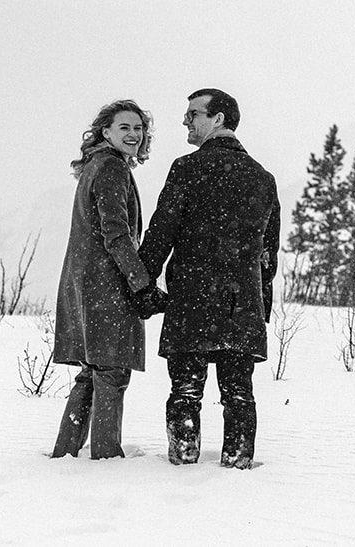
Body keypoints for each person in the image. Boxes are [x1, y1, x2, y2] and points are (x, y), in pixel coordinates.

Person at [139, 87, 280, 468]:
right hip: (241, 305)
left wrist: (141, 284)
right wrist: (259, 310)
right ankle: (238, 463)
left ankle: (183, 464)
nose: (186, 120)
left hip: (191, 300)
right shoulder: (263, 179)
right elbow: (269, 256)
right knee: (238, 393)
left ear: (218, 119)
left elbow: (160, 234)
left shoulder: (186, 169)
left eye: (193, 114)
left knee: (185, 392)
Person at [49, 100, 166, 459]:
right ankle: (106, 457)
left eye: (138, 128)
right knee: (111, 373)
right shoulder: (112, 168)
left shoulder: (94, 166)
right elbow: (116, 234)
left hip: (83, 283)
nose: (134, 135)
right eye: (125, 128)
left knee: (91, 373)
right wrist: (142, 283)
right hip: (106, 286)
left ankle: (65, 453)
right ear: (106, 132)